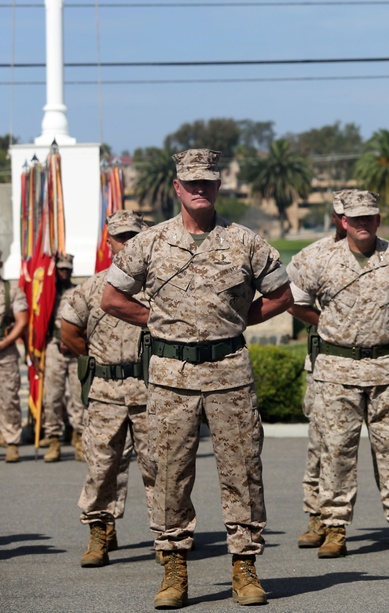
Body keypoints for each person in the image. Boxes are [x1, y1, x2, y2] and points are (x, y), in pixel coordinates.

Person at [102, 148, 292, 608]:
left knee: (242, 470)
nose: (200, 189)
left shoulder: (245, 240)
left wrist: (238, 320)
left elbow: (282, 294)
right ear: (177, 189)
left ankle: (245, 567)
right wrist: (158, 323)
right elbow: (111, 298)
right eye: (192, 183)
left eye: (208, 182)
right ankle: (173, 568)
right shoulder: (150, 242)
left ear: (219, 185)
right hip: (170, 375)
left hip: (229, 371)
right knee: (169, 472)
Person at [287, 189, 389, 559]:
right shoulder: (321, 259)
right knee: (336, 451)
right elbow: (295, 300)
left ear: (378, 220)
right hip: (337, 369)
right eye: (356, 218)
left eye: (370, 217)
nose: (363, 223)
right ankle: (334, 527)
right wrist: (329, 325)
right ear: (343, 221)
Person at [61, 210, 156, 567]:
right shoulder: (92, 287)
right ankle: (100, 531)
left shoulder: (160, 286)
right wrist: (99, 361)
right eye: (121, 237)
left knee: (160, 467)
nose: (127, 243)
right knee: (101, 467)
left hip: (150, 391)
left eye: (134, 236)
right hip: (105, 391)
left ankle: (167, 536)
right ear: (109, 241)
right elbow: (69, 331)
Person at [297, 195, 347, 549]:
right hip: (324, 361)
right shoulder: (312, 256)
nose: (350, 222)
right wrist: (329, 324)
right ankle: (317, 516)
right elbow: (291, 300)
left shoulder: (387, 255)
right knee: (321, 443)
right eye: (344, 216)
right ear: (335, 217)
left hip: (373, 366)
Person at [39, 253, 84, 463]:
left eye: (67, 269)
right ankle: (54, 439)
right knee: (53, 397)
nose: (64, 272)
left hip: (74, 348)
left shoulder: (79, 290)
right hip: (55, 349)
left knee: (78, 396)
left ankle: (80, 438)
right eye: (60, 269)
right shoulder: (47, 293)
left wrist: (74, 339)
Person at [0, 250, 29, 463]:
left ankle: (12, 442)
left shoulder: (11, 291)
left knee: (9, 398)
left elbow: (21, 321)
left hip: (4, 351)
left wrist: (5, 343)